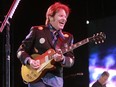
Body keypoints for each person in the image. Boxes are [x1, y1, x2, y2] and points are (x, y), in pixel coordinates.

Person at [17, 2, 75, 87]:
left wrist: (62, 58)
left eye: (65, 17)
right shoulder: (37, 30)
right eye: (61, 16)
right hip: (36, 77)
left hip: (56, 80)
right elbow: (20, 51)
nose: (64, 19)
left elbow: (71, 60)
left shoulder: (68, 37)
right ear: (50, 17)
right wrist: (30, 61)